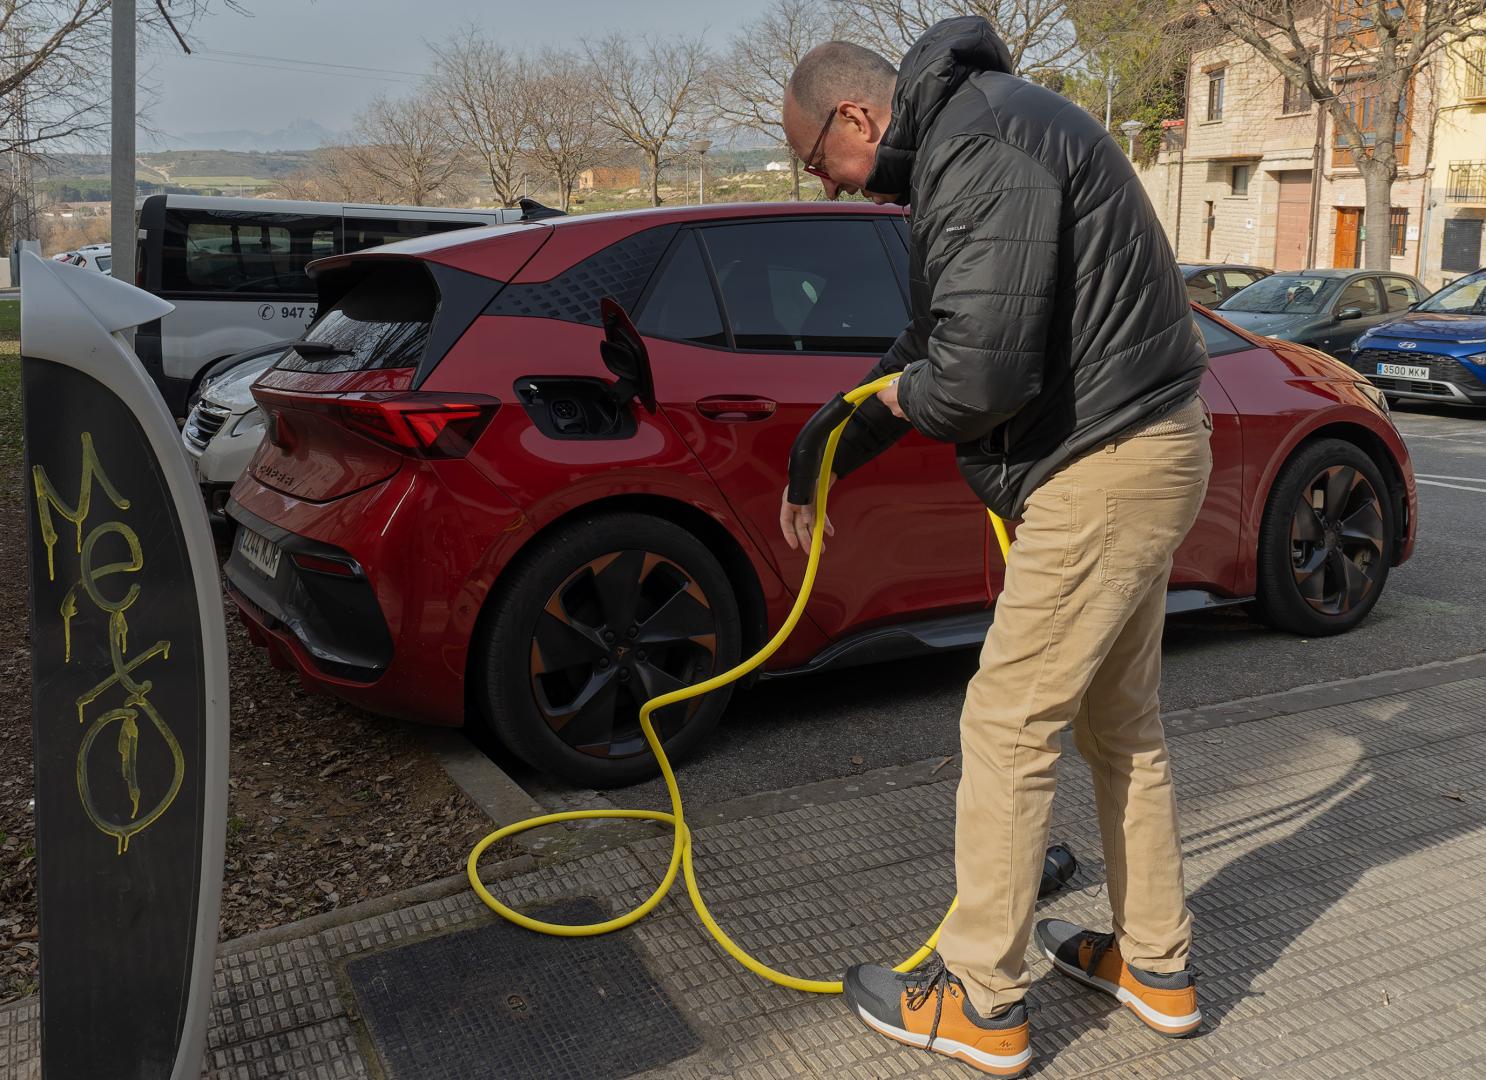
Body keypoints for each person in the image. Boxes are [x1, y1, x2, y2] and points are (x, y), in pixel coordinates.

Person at [777, 17, 1212, 1078]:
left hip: (1101, 466)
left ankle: (978, 996)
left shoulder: (981, 146)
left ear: (856, 115)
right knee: (1121, 728)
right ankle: (1155, 967)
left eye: (819, 166)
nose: (831, 189)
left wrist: (886, 398)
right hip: (1138, 450)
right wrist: (828, 440)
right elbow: (936, 340)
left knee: (1008, 725)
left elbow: (975, 380)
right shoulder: (981, 134)